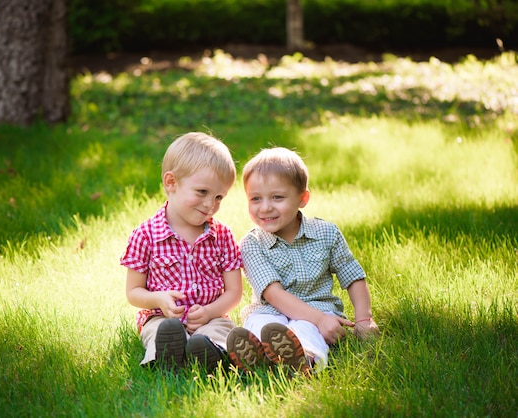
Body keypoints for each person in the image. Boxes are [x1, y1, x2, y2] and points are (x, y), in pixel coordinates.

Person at [227, 147, 380, 377]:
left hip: (318, 309)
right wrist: (322, 320)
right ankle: (257, 357)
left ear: (303, 198)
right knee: (262, 325)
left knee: (306, 330)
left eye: (277, 197)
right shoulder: (252, 243)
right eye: (255, 198)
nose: (265, 207)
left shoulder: (326, 233)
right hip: (270, 311)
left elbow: (352, 275)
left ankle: (302, 361)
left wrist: (364, 319)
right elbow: (273, 294)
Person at [120, 132, 243, 373]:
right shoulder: (146, 235)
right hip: (162, 317)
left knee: (219, 330)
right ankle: (167, 356)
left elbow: (234, 292)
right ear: (171, 183)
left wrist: (209, 312)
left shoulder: (223, 236)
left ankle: (207, 353)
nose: (210, 205)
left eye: (219, 197)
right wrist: (158, 299)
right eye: (202, 192)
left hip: (211, 316)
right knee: (158, 330)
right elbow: (133, 292)